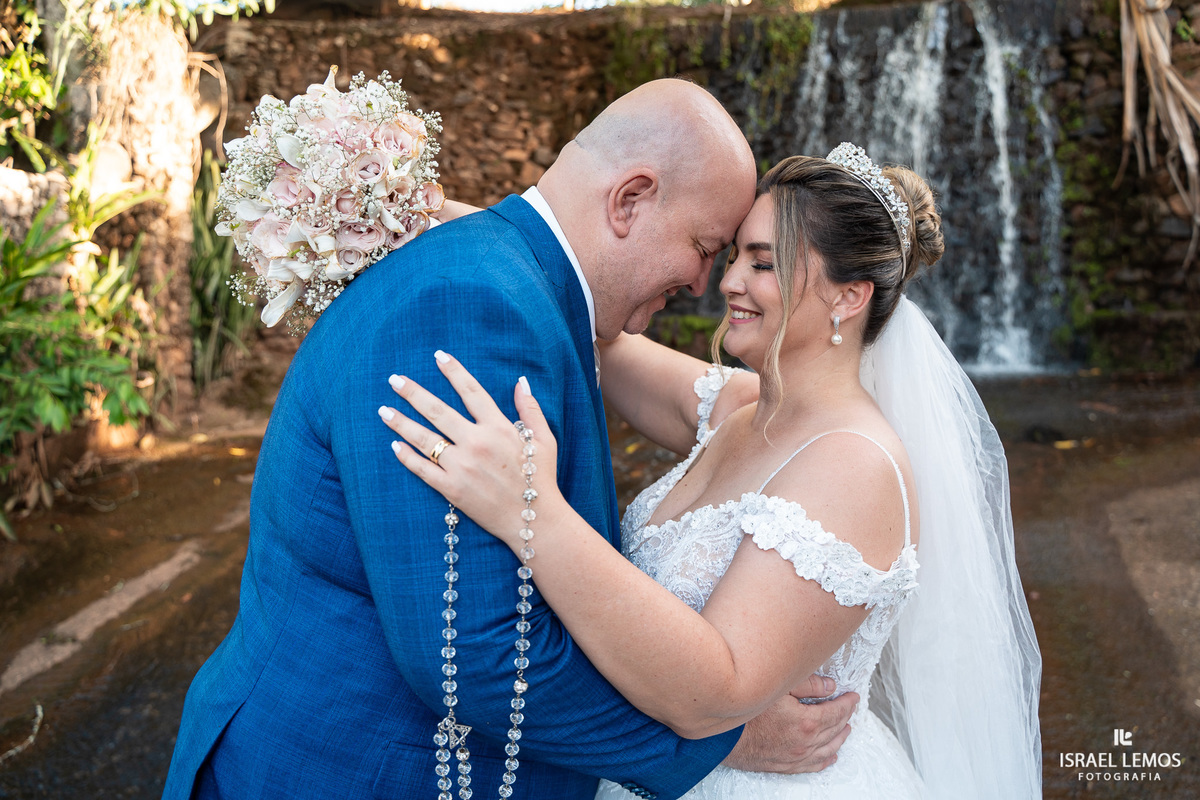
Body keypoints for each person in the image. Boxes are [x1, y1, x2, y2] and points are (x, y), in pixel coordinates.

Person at [163, 80, 860, 800]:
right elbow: (476, 651)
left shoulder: (504, 278)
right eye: (704, 247)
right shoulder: (472, 305)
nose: (702, 283)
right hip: (344, 769)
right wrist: (716, 742)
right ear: (629, 200)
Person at [380, 146, 1044, 798]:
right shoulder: (741, 407)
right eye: (732, 257)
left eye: (764, 262)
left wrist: (533, 512)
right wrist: (419, 210)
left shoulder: (855, 464)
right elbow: (590, 317)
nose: (726, 284)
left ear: (849, 296)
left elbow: (718, 688)